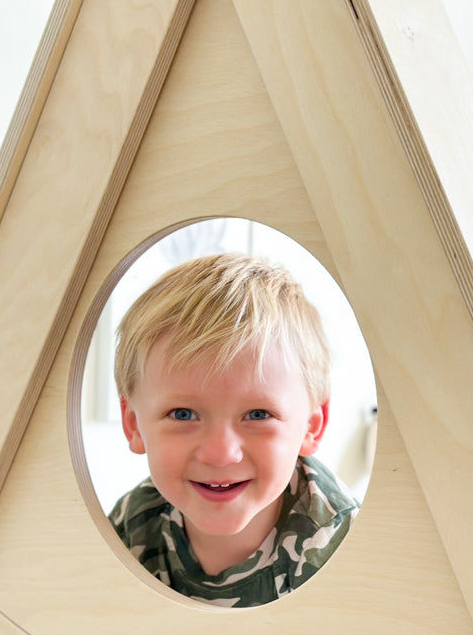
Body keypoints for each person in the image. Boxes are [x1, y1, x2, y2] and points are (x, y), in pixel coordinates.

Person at [109, 252, 359, 607]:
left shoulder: (336, 540)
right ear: (133, 424)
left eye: (258, 414)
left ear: (311, 427)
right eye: (183, 414)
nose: (221, 453)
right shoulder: (134, 522)